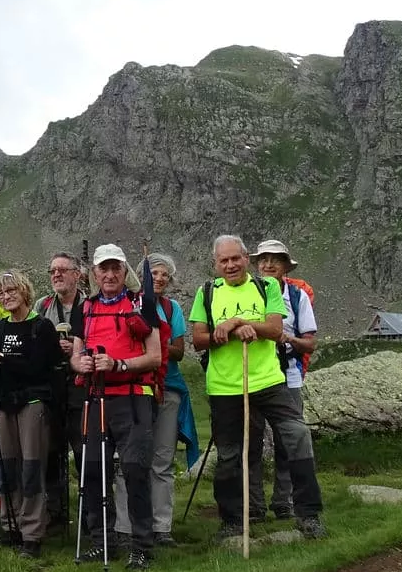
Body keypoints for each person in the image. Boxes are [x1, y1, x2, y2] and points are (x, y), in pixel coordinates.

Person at [189, 235, 326, 541]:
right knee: (229, 455)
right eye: (223, 260)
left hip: (268, 380)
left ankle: (308, 515)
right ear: (216, 264)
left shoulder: (267, 287)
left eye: (235, 258)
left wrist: (235, 322)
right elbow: (198, 339)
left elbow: (276, 329)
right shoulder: (206, 292)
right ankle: (232, 521)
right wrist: (228, 332)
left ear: (245, 259)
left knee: (297, 436)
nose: (230, 265)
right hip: (224, 386)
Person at [69, 244, 162, 570]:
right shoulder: (84, 308)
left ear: (125, 271)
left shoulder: (142, 304)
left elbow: (155, 356)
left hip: (133, 397)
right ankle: (102, 541)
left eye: (115, 268)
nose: (109, 275)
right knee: (94, 469)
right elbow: (76, 354)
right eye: (103, 269)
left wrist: (118, 364)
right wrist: (80, 364)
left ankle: (141, 546)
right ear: (95, 274)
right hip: (96, 398)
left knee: (135, 470)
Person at [0, 270, 62, 557]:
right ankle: (11, 526)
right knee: (7, 466)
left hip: (33, 403)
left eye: (11, 290)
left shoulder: (42, 327)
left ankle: (32, 534)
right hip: (4, 404)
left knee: (31, 467)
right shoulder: (0, 328)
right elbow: (2, 369)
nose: (6, 296)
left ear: (24, 292)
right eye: (1, 293)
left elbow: (37, 367)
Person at [112, 253, 196, 550]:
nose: (158, 279)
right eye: (153, 274)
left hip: (167, 388)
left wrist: (153, 342)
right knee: (128, 459)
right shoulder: (127, 304)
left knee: (162, 459)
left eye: (164, 275)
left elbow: (179, 351)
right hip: (134, 389)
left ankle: (161, 527)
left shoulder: (172, 308)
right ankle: (125, 527)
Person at [249, 238, 317, 521]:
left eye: (275, 260)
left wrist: (289, 339)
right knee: (250, 440)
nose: (268, 264)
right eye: (263, 259)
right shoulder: (246, 292)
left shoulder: (299, 296)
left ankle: (283, 501)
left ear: (286, 266)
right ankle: (253, 506)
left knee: (288, 438)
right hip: (253, 376)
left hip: (287, 375)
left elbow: (310, 343)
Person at [37, 251, 86, 531]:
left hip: (80, 386)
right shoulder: (42, 305)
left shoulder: (90, 305)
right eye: (52, 271)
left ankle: (89, 516)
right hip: (51, 386)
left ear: (77, 275)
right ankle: (54, 512)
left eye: (62, 270)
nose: (56, 275)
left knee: (82, 449)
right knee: (51, 450)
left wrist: (77, 348)